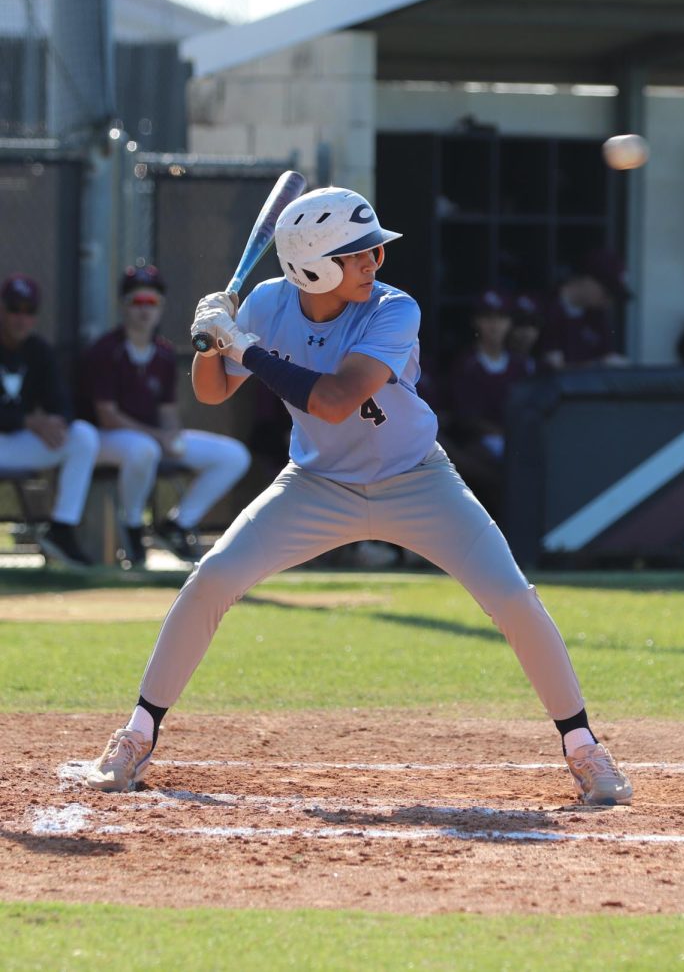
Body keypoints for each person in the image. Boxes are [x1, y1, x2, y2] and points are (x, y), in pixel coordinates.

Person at [83, 187, 632, 808]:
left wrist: (242, 346)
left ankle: (583, 747)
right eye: (358, 254)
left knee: (512, 597)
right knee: (212, 577)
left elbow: (336, 398)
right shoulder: (266, 304)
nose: (374, 262)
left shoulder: (394, 309)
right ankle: (136, 736)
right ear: (313, 266)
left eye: (373, 250)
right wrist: (210, 337)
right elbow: (211, 392)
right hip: (316, 484)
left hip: (417, 478)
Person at [78, 266, 252, 567]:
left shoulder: (163, 353)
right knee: (141, 449)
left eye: (152, 302)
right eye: (137, 302)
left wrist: (171, 435)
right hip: (103, 441)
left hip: (150, 439)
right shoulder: (106, 350)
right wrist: (160, 438)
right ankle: (133, 527)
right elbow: (108, 416)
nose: (145, 310)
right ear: (124, 305)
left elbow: (168, 411)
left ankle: (177, 525)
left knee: (233, 456)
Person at [0, 274, 98, 566]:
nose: (21, 317)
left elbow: (61, 402)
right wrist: (30, 421)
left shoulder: (39, 350)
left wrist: (57, 423)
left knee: (82, 436)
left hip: (15, 443)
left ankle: (62, 530)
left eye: (29, 310)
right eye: (14, 308)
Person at [446, 289, 537, 519]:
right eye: (488, 318)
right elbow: (465, 419)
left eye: (501, 318)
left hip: (519, 441)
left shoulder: (522, 366)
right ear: (477, 322)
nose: (494, 326)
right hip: (482, 444)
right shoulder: (466, 365)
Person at [540, 248, 631, 369]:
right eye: (607, 293)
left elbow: (607, 355)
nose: (609, 301)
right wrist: (597, 365)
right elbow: (549, 369)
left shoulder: (597, 317)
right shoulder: (546, 307)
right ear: (588, 280)